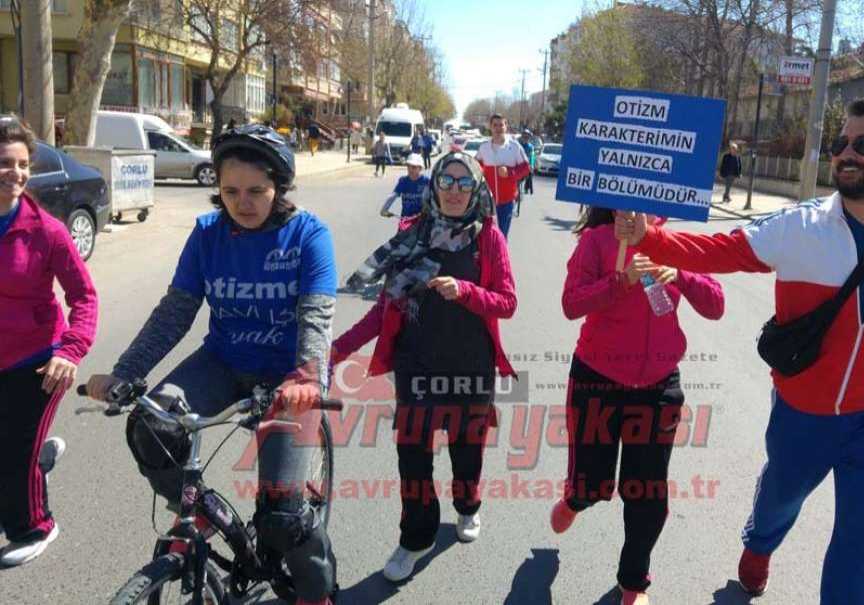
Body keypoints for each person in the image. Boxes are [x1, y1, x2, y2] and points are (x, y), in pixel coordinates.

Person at [614, 98, 864, 604]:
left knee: (863, 539)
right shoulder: (799, 226)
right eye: (841, 143)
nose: (847, 153)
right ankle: (759, 546)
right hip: (802, 412)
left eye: (863, 144)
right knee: (779, 501)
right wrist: (650, 237)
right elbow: (725, 249)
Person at [84, 125, 339, 605]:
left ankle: (318, 591)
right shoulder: (207, 234)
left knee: (283, 516)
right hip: (221, 362)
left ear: (279, 187)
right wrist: (125, 372)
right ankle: (202, 513)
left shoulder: (309, 235)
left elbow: (316, 317)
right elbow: (176, 311)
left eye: (256, 191)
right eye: (230, 191)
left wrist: (307, 378)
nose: (243, 203)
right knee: (149, 426)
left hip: (286, 378)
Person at [333, 151, 516, 583]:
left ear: (477, 189)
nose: (454, 191)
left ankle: (467, 506)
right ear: (434, 187)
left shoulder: (488, 238)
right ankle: (416, 537)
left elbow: (507, 302)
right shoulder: (411, 234)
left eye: (464, 183)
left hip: (470, 365)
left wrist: (467, 291)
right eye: (446, 182)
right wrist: (335, 351)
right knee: (412, 456)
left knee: (466, 449)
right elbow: (383, 310)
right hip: (416, 365)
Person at [552, 207, 724, 605]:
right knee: (592, 485)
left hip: (657, 386)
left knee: (647, 493)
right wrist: (621, 281)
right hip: (597, 380)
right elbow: (571, 304)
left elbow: (716, 305)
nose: (635, 208)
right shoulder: (596, 241)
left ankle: (633, 582)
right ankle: (576, 499)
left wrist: (680, 274)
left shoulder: (674, 243)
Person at [0, 115, 98, 566]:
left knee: (15, 448)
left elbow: (84, 297)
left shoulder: (47, 231)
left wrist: (70, 350)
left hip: (39, 360)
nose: (16, 173)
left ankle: (36, 526)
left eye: (22, 165)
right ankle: (32, 463)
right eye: (6, 163)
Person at [476, 114, 530, 239]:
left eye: (501, 125)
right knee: (486, 236)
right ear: (490, 127)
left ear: (506, 126)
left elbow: (526, 168)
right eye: (495, 125)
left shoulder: (514, 146)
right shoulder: (484, 147)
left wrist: (510, 173)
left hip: (506, 202)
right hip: (487, 202)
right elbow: (475, 167)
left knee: (501, 237)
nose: (498, 128)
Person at [381, 154, 429, 219]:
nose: (410, 170)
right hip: (406, 218)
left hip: (422, 218)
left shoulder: (425, 181)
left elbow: (433, 198)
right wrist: (384, 209)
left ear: (420, 168)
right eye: (408, 166)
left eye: (414, 167)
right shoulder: (403, 181)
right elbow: (393, 195)